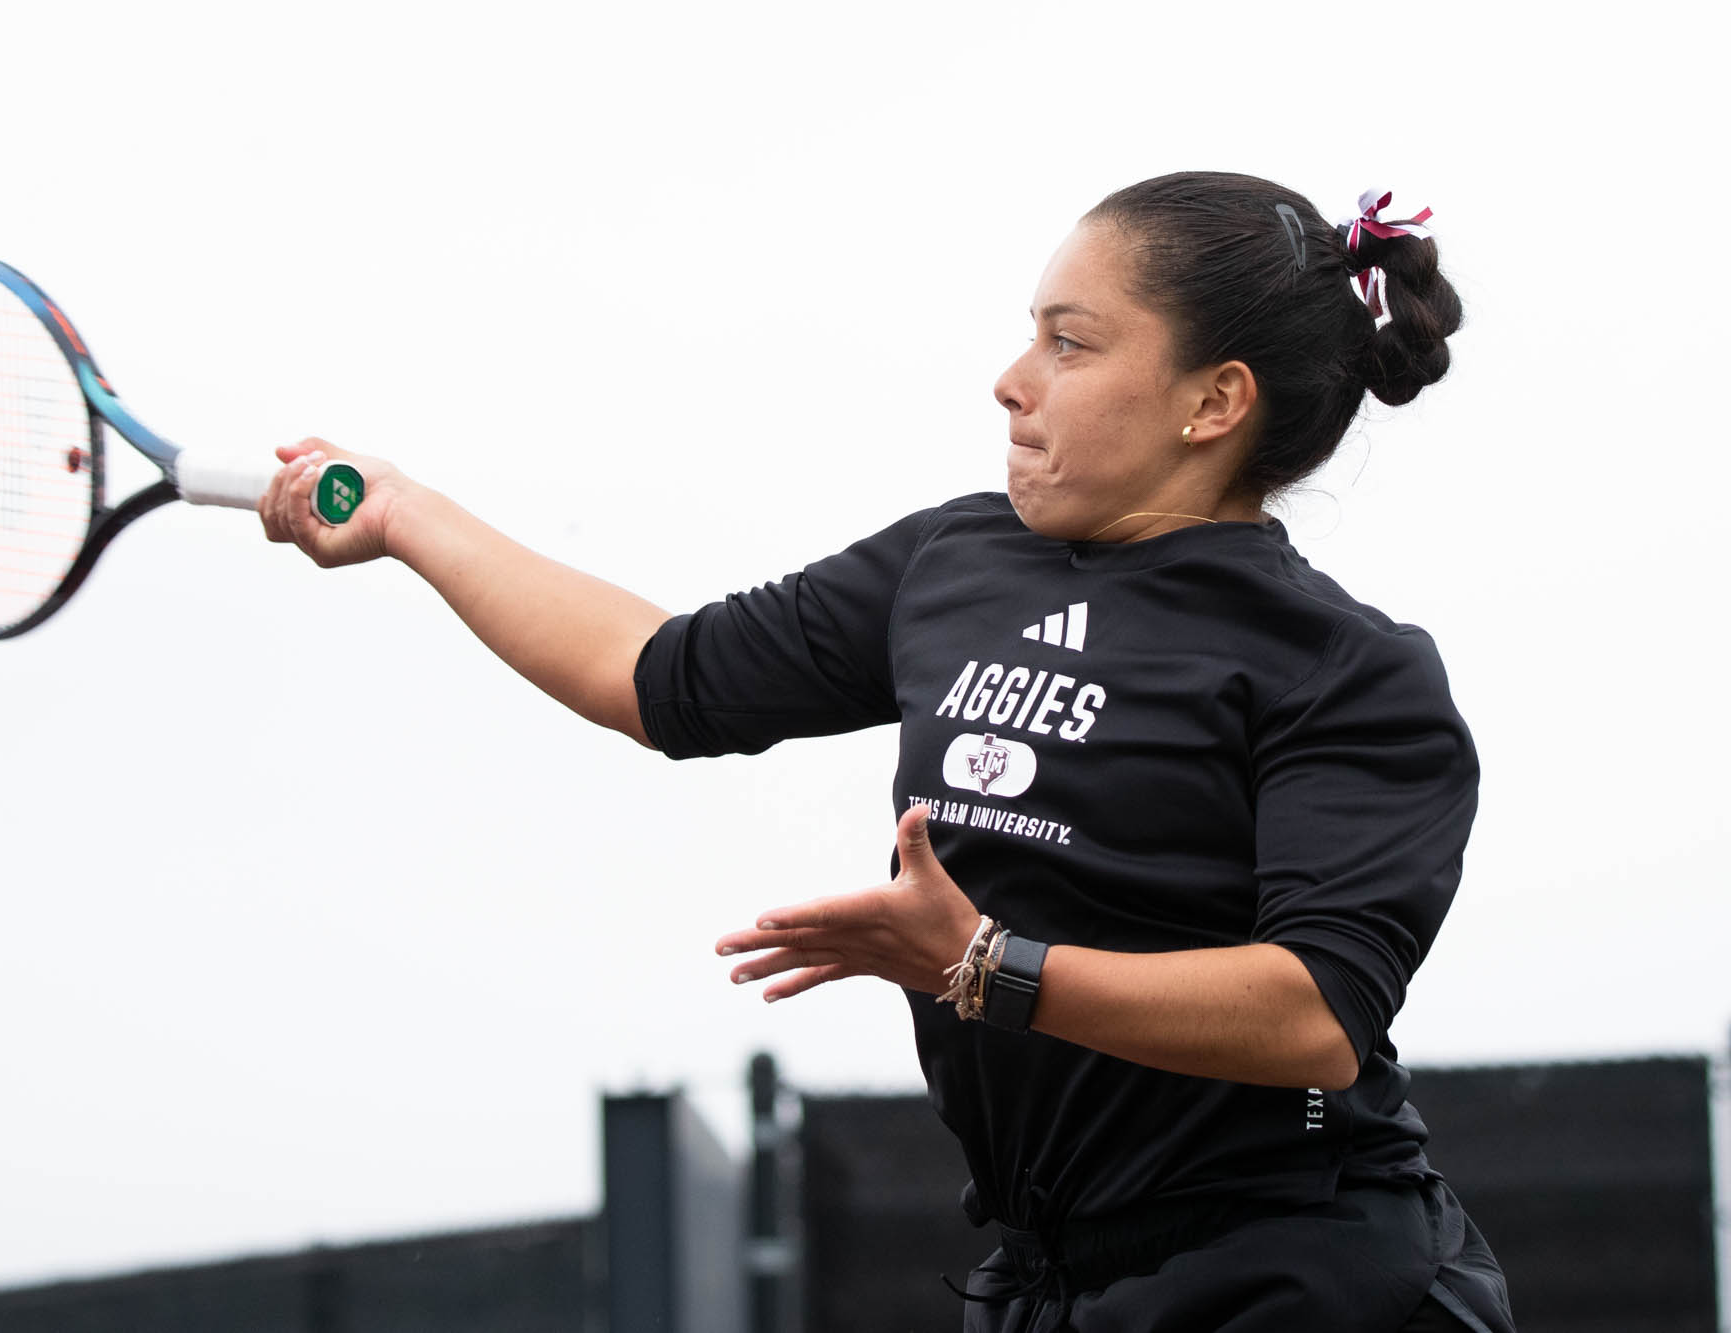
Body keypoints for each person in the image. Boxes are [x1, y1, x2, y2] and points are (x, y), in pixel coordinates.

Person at [258, 171, 1514, 1332]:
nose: (1011, 378)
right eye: (1029, 331)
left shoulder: (1346, 668)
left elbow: (1310, 1017)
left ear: (1213, 401)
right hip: (1050, 1282)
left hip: (1300, 1280)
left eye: (1068, 342)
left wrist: (982, 965)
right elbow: (656, 676)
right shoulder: (952, 564)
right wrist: (405, 515)